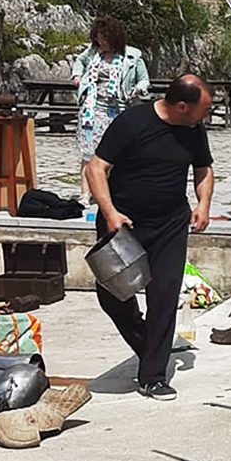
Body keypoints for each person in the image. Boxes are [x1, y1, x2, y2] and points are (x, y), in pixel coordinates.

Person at [85, 75, 214, 401]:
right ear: (182, 106)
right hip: (123, 224)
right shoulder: (132, 123)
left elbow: (203, 169)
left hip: (170, 223)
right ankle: (148, 343)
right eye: (203, 109)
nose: (206, 116)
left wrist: (203, 205)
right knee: (112, 297)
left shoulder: (193, 130)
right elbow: (95, 169)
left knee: (164, 295)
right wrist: (111, 213)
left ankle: (153, 376)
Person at [71, 17, 150, 206]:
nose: (102, 43)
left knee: (116, 154)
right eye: (98, 39)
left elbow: (144, 80)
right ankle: (85, 194)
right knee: (88, 154)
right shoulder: (92, 53)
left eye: (105, 39)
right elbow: (79, 62)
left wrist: (138, 89)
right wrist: (77, 75)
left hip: (119, 110)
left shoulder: (132, 56)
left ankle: (111, 192)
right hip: (92, 109)